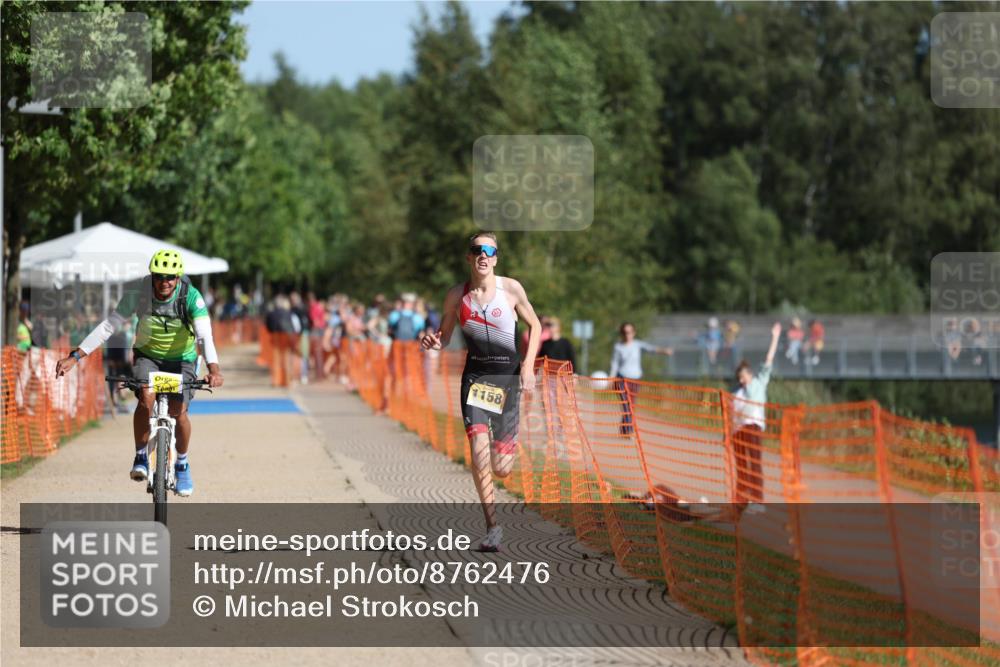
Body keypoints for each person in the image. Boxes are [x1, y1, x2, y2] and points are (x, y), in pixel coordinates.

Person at [54, 249, 224, 496]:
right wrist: (75, 356)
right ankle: (141, 455)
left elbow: (205, 336)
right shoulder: (138, 295)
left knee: (179, 411)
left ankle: (182, 463)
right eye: (159, 276)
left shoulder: (191, 297)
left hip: (183, 360)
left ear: (178, 278)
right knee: (146, 398)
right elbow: (109, 326)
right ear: (152, 276)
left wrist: (214, 370)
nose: (164, 282)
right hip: (149, 356)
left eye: (170, 277)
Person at [421, 232, 543, 552]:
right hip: (476, 381)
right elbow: (444, 336)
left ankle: (503, 453)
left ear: (496, 258)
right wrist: (435, 342)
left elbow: (536, 326)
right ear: (469, 257)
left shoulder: (512, 289)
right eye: (477, 250)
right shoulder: (456, 296)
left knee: (501, 467)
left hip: (508, 381)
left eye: (490, 250)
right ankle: (493, 527)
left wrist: (528, 366)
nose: (483, 255)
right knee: (478, 452)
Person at [731, 322, 781, 516]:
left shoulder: (760, 382)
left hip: (753, 427)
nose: (741, 380)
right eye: (739, 377)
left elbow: (768, 359)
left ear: (750, 374)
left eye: (743, 376)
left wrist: (775, 337)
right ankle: (741, 501)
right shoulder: (737, 393)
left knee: (755, 465)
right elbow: (733, 414)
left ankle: (758, 501)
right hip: (738, 431)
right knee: (742, 468)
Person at [610, 323, 672, 436]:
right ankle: (629, 430)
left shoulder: (637, 345)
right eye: (624, 332)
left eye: (629, 332)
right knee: (626, 404)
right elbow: (615, 363)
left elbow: (651, 349)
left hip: (635, 379)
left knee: (631, 405)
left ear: (633, 333)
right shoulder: (618, 347)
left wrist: (664, 351)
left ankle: (624, 429)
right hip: (622, 379)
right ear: (621, 334)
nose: (627, 335)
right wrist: (611, 378)